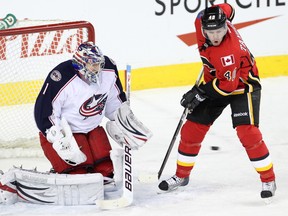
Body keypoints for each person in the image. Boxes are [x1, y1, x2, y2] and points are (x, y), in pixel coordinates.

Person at [158, 3, 276, 202]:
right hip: (217, 81)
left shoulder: (229, 52)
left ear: (226, 26)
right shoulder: (200, 20)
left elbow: (227, 87)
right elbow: (228, 7)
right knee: (192, 128)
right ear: (202, 27)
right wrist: (218, 12)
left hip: (242, 85)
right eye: (210, 31)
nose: (215, 36)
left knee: (247, 132)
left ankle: (268, 179)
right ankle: (182, 175)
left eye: (220, 30)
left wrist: (199, 92)